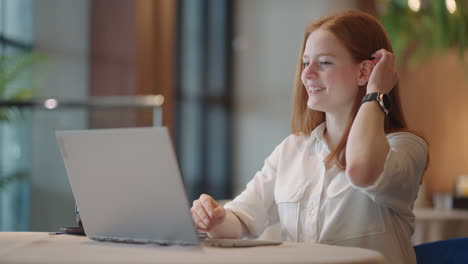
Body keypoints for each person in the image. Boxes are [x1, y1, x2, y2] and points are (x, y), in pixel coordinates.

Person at [190, 10, 428, 264]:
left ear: (364, 72)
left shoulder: (406, 147)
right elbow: (240, 220)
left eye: (324, 62)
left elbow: (361, 169)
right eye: (306, 63)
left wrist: (376, 92)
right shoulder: (292, 149)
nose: (307, 74)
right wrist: (214, 218)